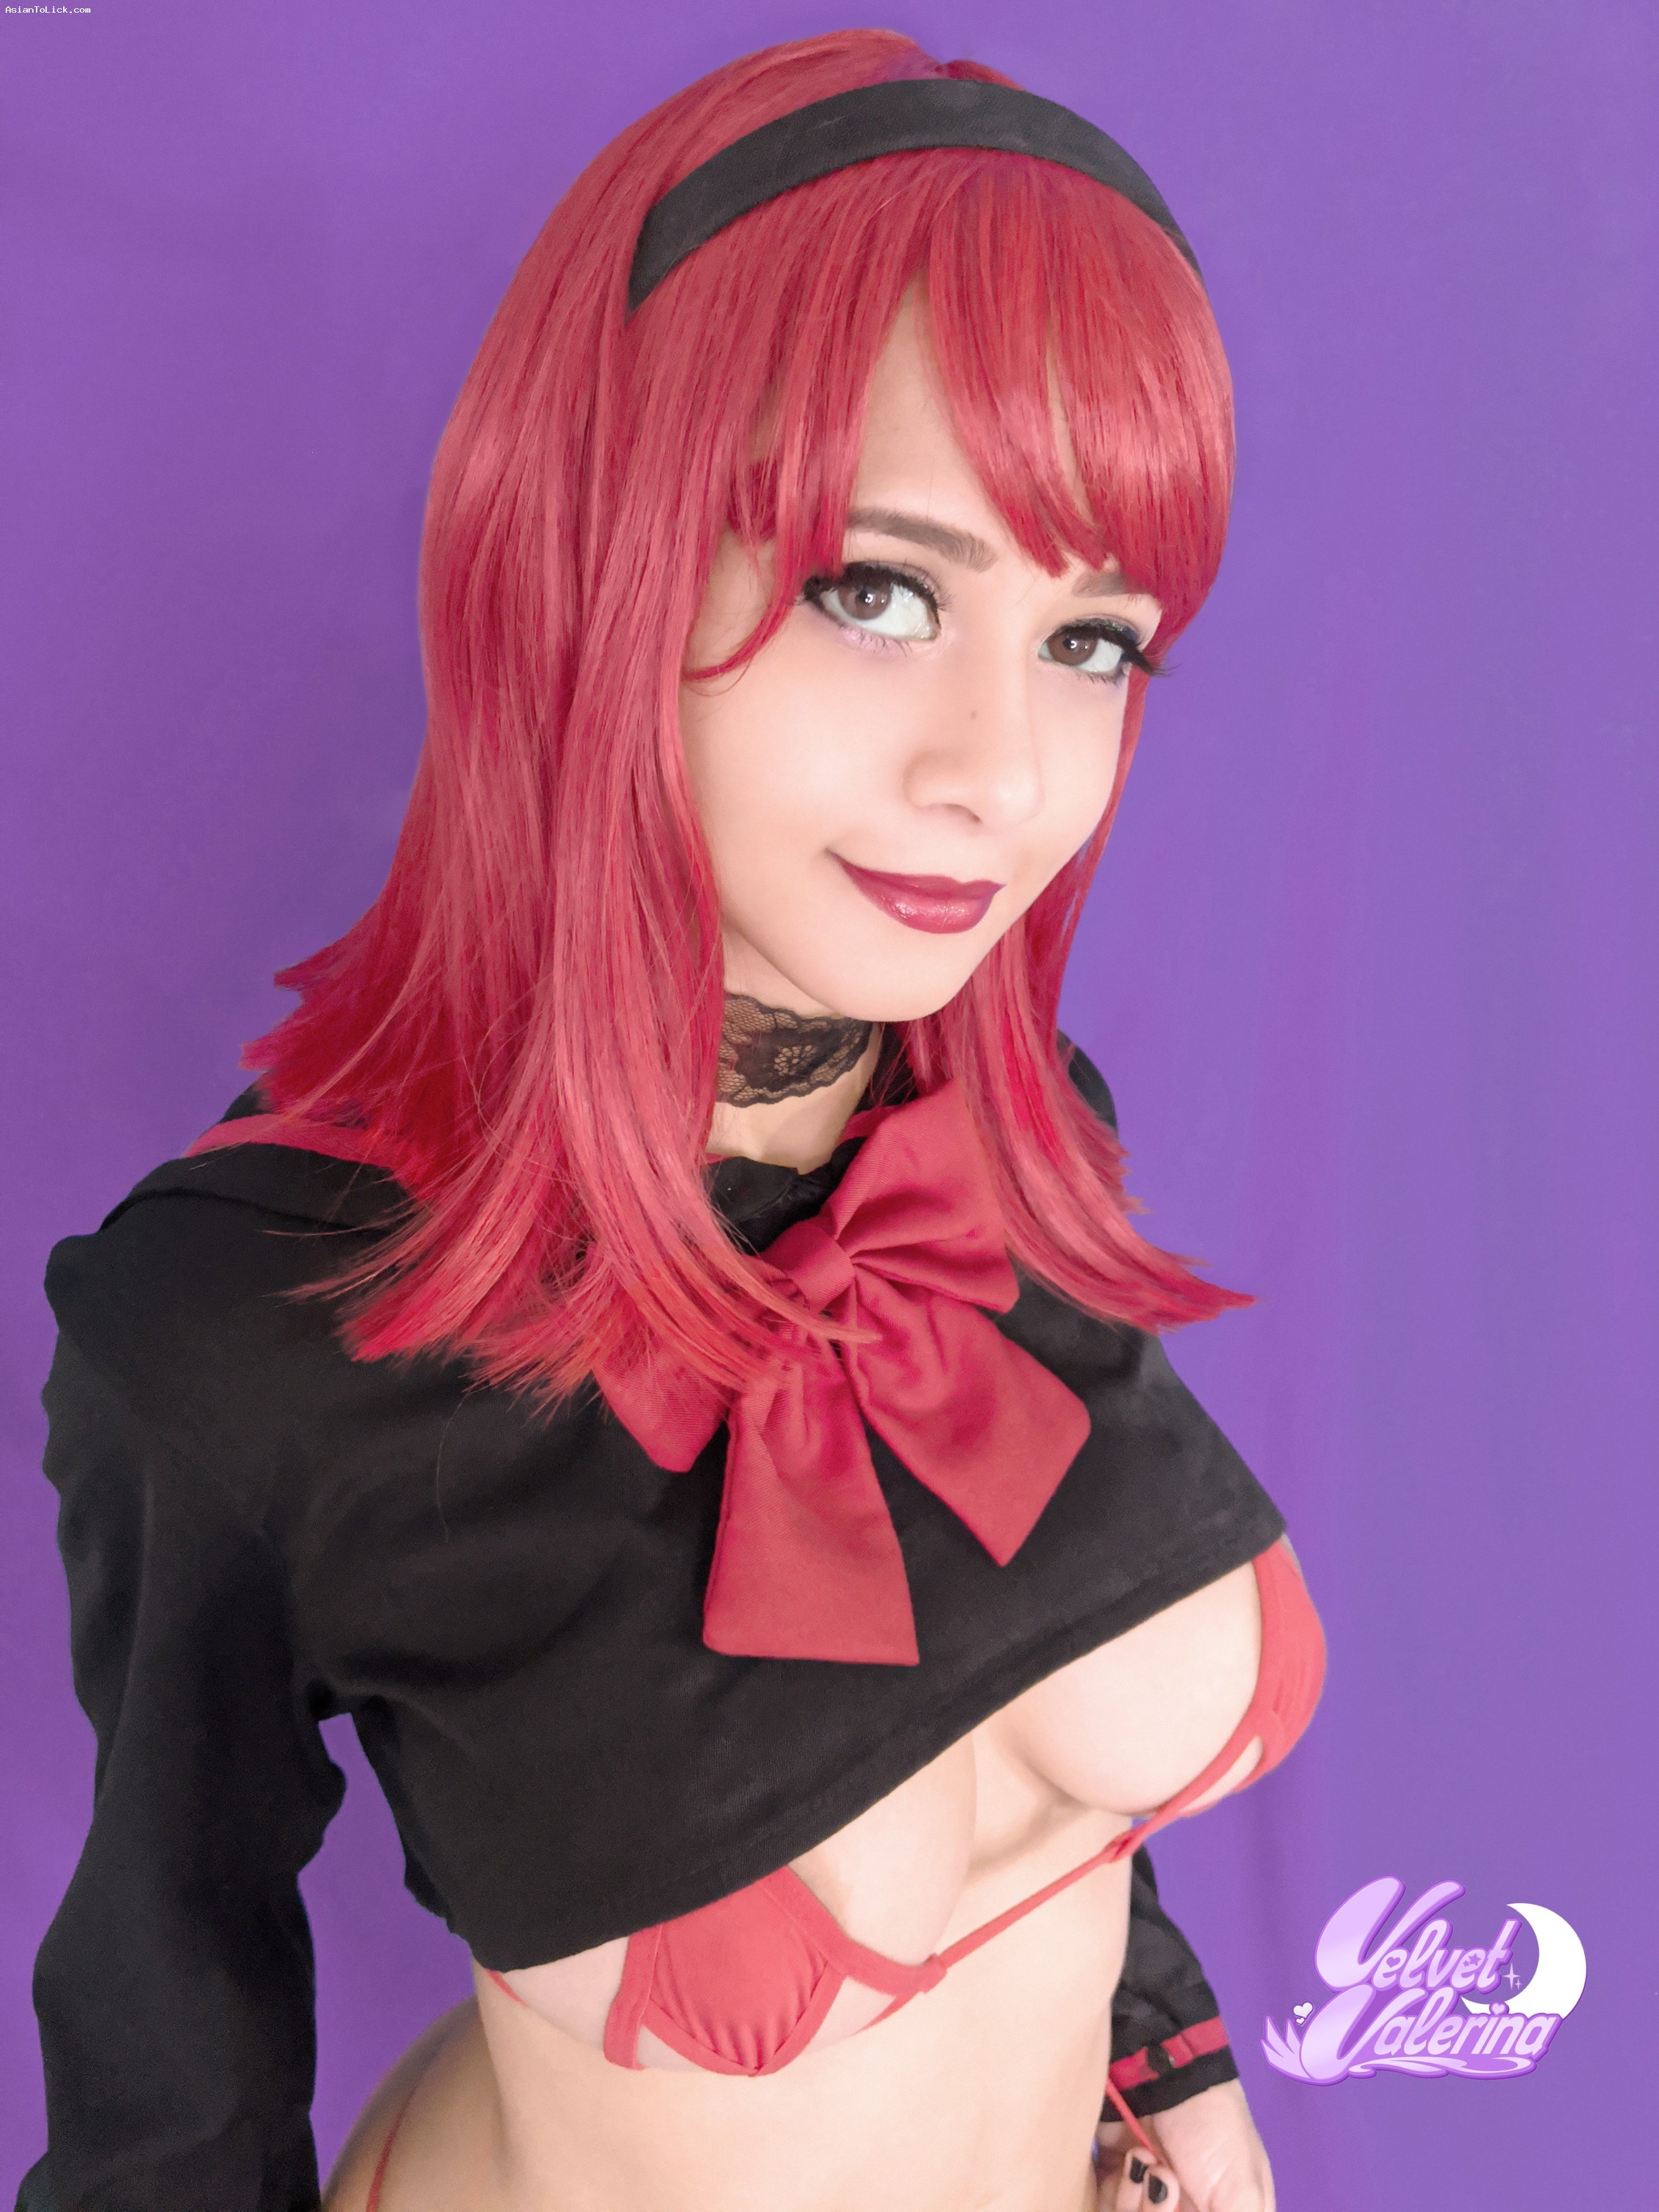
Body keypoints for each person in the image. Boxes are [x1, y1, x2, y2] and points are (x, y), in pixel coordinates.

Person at [19, 30, 1324, 2212]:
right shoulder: (242, 1327)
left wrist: (1164, 2062)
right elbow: (169, 2060)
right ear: (588, 563)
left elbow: (1037, 1677)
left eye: (1092, 639)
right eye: (877, 590)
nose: (1000, 772)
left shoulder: (1007, 1141)